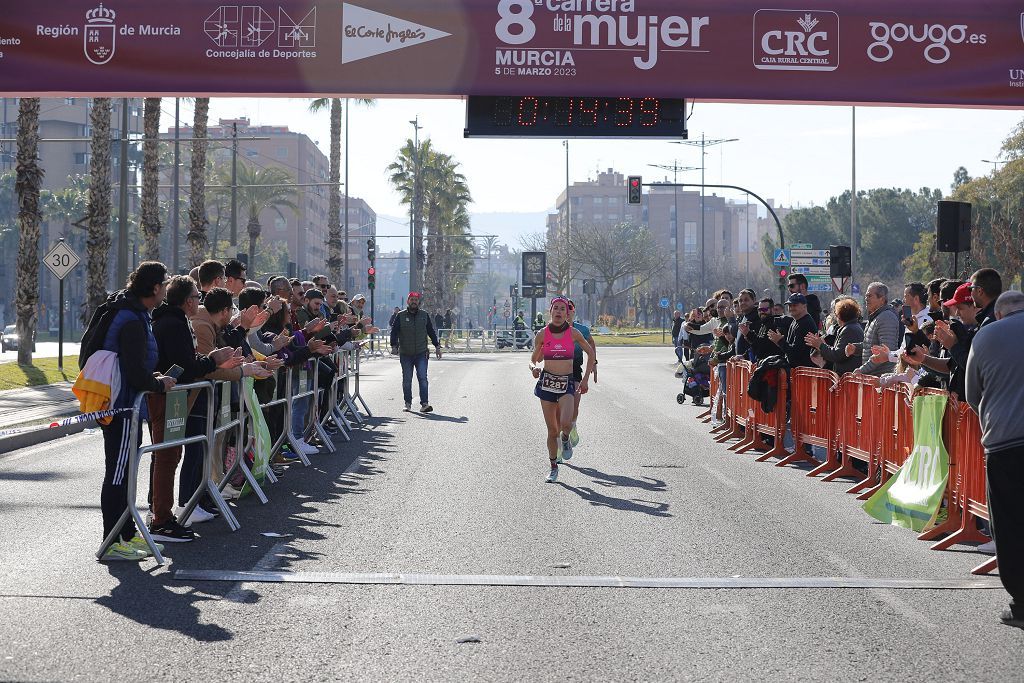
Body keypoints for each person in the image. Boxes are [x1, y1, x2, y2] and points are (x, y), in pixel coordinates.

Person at [96, 262, 178, 561]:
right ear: (155, 287)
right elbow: (133, 371)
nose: (167, 289)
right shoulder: (131, 319)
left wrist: (152, 380)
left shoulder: (136, 314)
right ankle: (112, 540)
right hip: (120, 408)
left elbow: (136, 367)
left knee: (126, 472)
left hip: (128, 405)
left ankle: (126, 535)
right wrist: (158, 383)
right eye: (165, 285)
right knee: (118, 475)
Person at [149, 277, 241, 540]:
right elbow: (187, 365)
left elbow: (189, 361)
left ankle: (161, 515)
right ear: (188, 300)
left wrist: (209, 360)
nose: (199, 302)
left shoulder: (179, 321)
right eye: (196, 298)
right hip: (170, 397)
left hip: (177, 395)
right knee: (166, 457)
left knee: (169, 456)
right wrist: (211, 362)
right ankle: (161, 519)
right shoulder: (173, 323)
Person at [965, 290, 1024, 628]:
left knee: (1011, 522)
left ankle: (1021, 602)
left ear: (1000, 314)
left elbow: (973, 393)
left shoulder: (986, 335)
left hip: (1005, 443)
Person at [530, 297, 594, 483]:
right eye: (555, 308)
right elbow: (533, 358)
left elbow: (590, 352)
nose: (558, 312)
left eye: (562, 309)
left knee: (566, 424)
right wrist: (533, 367)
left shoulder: (574, 333)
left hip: (566, 383)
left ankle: (566, 438)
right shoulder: (542, 334)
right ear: (550, 311)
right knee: (552, 431)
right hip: (547, 383)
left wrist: (585, 379)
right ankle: (553, 467)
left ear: (567, 314)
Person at [390, 292, 442, 412]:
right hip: (406, 353)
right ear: (408, 301)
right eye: (412, 299)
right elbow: (394, 331)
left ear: (418, 302)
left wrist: (437, 346)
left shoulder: (424, 315)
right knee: (407, 379)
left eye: (416, 300)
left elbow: (431, 331)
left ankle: (424, 404)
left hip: (421, 352)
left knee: (423, 378)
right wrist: (394, 345)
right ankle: (407, 403)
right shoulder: (401, 315)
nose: (414, 301)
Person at [850, 282, 899, 376]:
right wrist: (856, 348)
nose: (866, 299)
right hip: (874, 377)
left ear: (882, 299)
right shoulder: (875, 317)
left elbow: (885, 351)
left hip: (881, 378)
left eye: (870, 296)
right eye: (866, 296)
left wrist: (862, 370)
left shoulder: (886, 317)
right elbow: (871, 346)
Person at [805, 297, 864, 375]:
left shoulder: (849, 330)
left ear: (840, 315)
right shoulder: (851, 327)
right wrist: (823, 345)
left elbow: (838, 355)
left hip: (847, 376)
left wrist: (821, 345)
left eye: (836, 314)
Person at [567, 299, 596, 448]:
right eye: (562, 308)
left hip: (575, 371)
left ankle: (572, 425)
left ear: (573, 311)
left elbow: (591, 344)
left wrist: (594, 364)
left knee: (574, 406)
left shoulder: (581, 330)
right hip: (556, 373)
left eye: (569, 308)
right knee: (559, 411)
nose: (566, 311)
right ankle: (559, 447)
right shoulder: (551, 330)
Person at [767, 293, 818, 368]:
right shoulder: (796, 320)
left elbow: (796, 353)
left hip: (802, 372)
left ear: (804, 306)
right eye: (789, 305)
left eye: (795, 305)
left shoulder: (805, 323)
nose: (791, 308)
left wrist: (780, 341)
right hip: (797, 371)